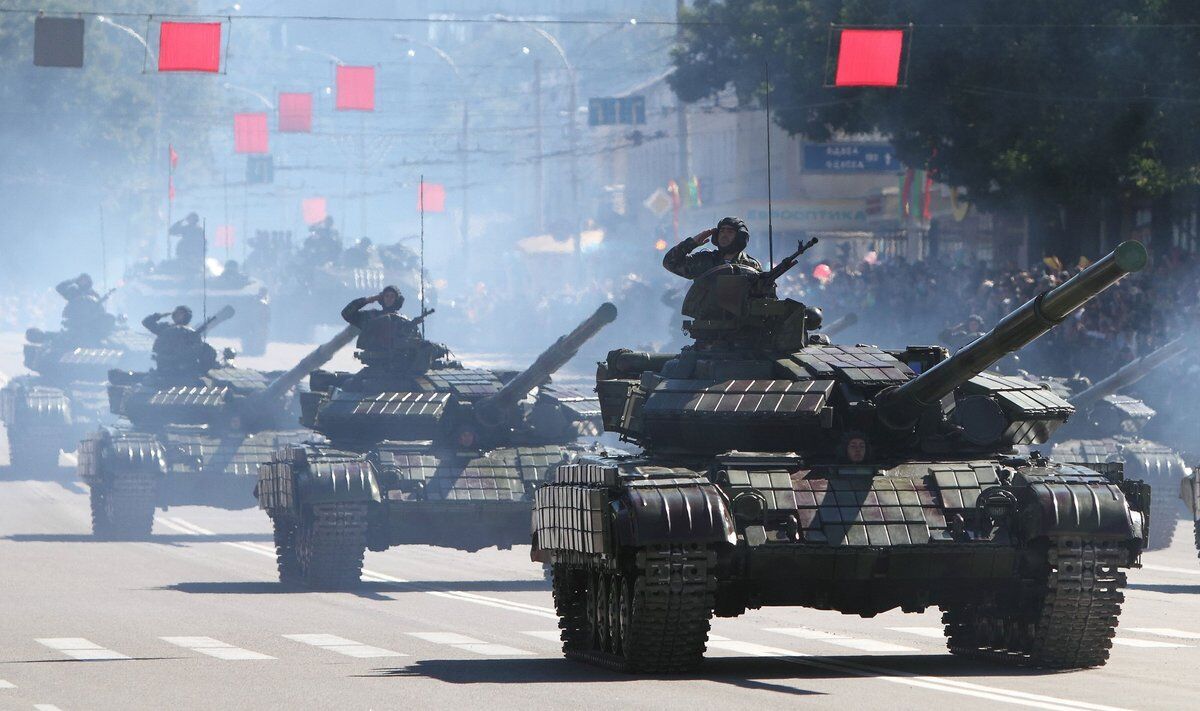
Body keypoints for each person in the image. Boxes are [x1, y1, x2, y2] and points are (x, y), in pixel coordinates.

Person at [663, 217, 763, 280]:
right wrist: (691, 243)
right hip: (709, 314)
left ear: (740, 237)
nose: (724, 235)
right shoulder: (706, 260)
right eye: (722, 231)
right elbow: (670, 263)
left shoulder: (750, 265)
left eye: (730, 232)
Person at [142, 305, 211, 376]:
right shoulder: (165, 327)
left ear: (187, 316)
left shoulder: (191, 333)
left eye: (181, 314)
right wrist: (160, 315)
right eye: (176, 313)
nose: (177, 316)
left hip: (185, 371)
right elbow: (146, 322)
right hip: (165, 368)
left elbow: (197, 351)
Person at [55, 273, 113, 343]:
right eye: (81, 280)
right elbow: (59, 288)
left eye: (85, 280)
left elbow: (99, 309)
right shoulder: (74, 292)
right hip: (75, 324)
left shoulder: (94, 294)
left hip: (91, 324)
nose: (83, 282)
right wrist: (73, 280)